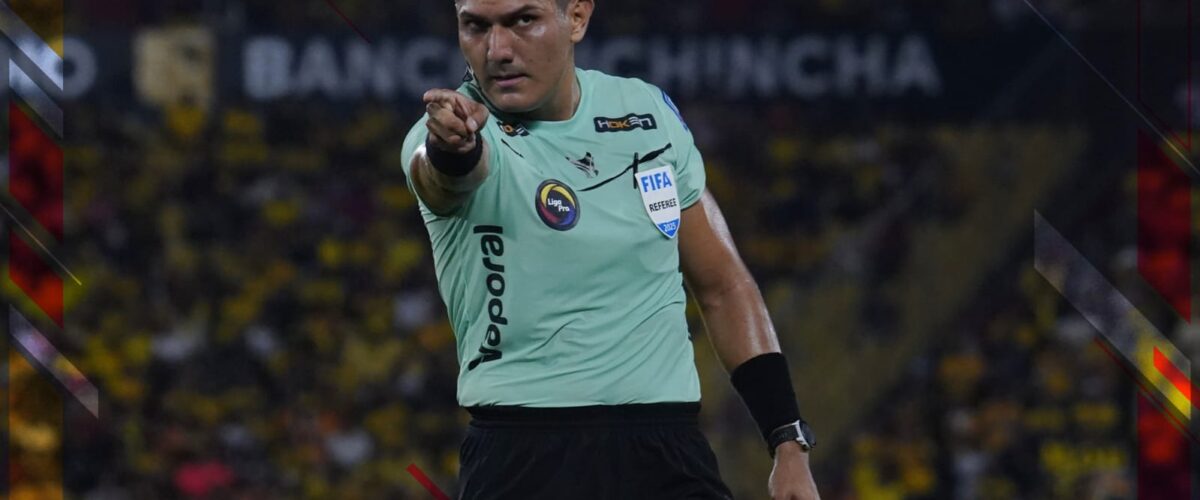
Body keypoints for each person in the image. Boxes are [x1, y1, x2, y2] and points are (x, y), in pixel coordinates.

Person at [399, 0, 822, 498]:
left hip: (668, 450)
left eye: (523, 20)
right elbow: (443, 173)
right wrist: (452, 150)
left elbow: (724, 286)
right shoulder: (451, 132)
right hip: (524, 455)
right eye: (476, 26)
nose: (497, 50)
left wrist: (787, 441)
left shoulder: (646, 114)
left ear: (577, 17)